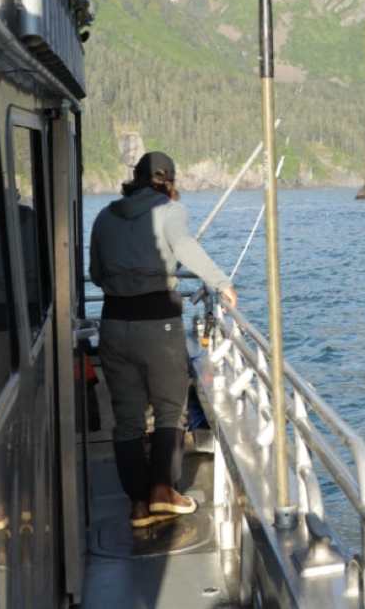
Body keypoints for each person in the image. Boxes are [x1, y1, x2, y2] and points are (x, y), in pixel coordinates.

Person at [89, 152, 237, 528]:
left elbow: (95, 273)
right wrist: (221, 282)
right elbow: (185, 248)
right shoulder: (170, 211)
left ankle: (138, 504)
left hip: (113, 321)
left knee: (127, 418)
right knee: (170, 408)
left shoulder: (106, 216)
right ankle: (163, 492)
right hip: (158, 324)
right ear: (168, 182)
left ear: (134, 179)